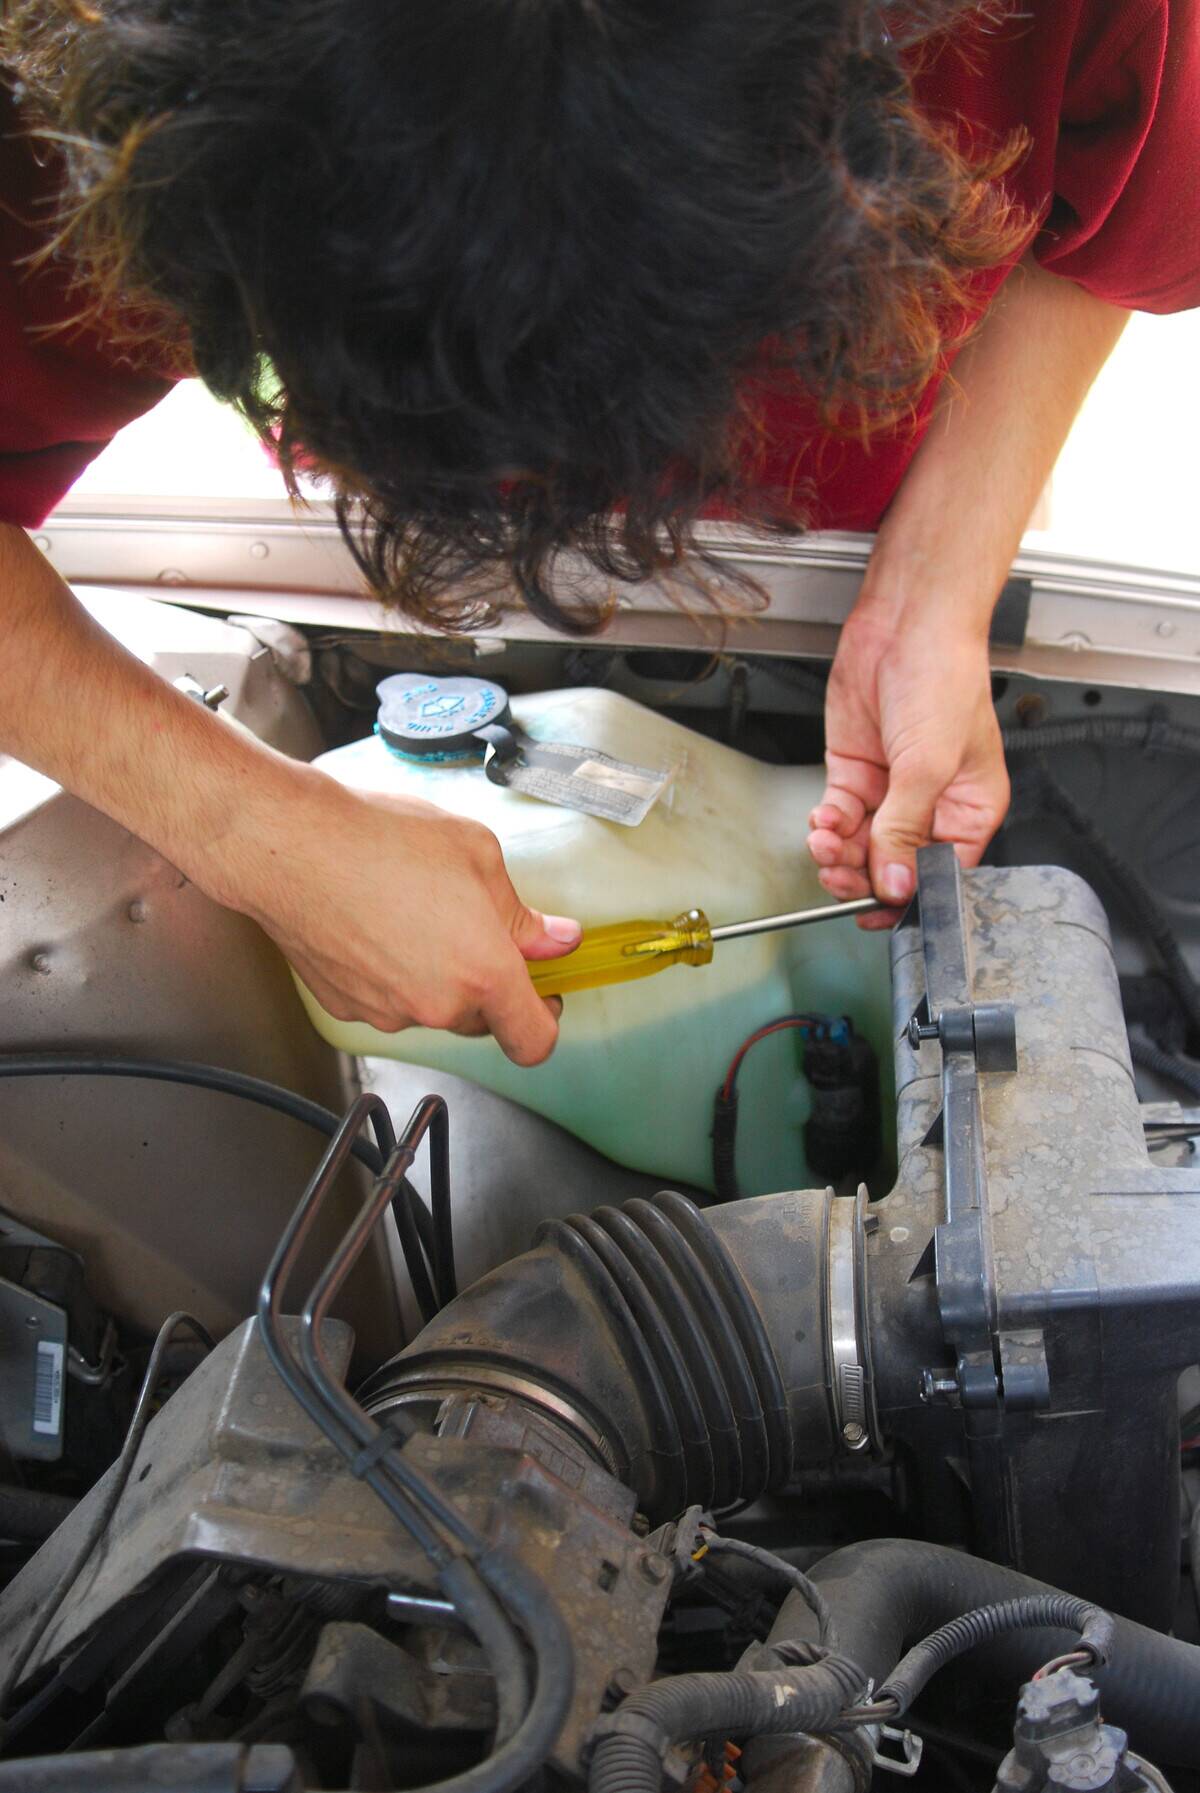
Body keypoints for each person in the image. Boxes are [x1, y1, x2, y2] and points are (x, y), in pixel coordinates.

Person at [0, 0, 1196, 1065]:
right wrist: (253, 828)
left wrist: (937, 585)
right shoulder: (100, 104)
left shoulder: (1047, 19)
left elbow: (1118, 217)